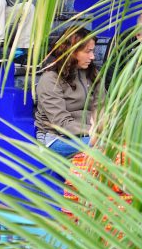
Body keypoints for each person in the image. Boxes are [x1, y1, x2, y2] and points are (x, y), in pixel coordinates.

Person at [35, 26, 102, 157]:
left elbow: (102, 106)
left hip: (90, 134)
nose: (93, 56)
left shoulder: (92, 73)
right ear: (72, 52)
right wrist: (93, 132)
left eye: (93, 51)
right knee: (106, 145)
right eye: (88, 51)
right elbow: (61, 123)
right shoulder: (50, 79)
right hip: (56, 138)